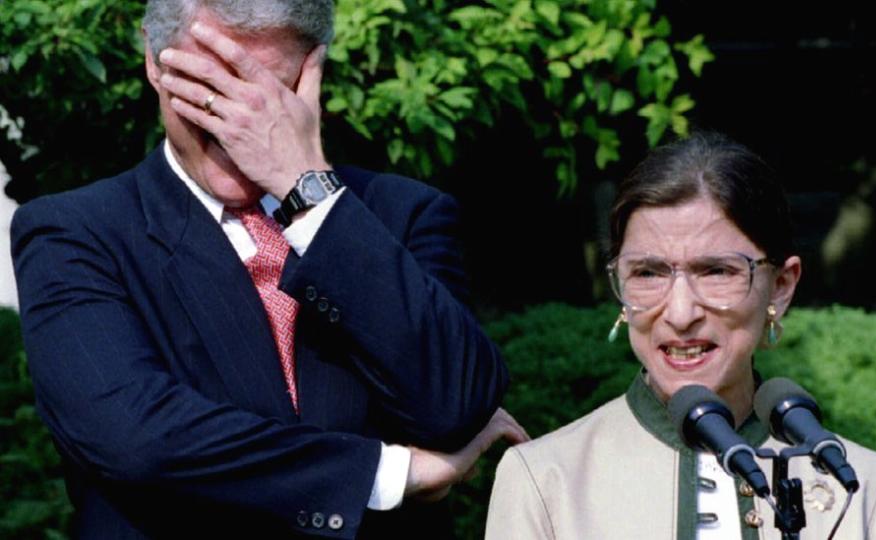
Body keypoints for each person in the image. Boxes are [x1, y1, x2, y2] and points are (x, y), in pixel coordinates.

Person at [11, 1, 528, 538]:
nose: (240, 121)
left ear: (314, 73)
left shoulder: (400, 214)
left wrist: (307, 191)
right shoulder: (73, 232)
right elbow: (133, 435)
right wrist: (387, 474)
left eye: (269, 94)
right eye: (212, 89)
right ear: (153, 61)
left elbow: (457, 404)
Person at [485, 132, 876, 539]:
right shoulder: (545, 481)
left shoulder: (859, 486)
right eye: (648, 273)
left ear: (780, 287)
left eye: (717, 271)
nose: (680, 313)